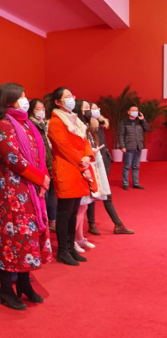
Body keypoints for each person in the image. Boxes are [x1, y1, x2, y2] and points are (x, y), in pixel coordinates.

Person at [0, 83, 52, 310]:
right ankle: (6, 289)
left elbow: (39, 154)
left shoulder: (26, 123)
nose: (26, 100)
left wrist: (43, 177)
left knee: (28, 236)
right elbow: (13, 159)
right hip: (13, 190)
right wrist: (40, 178)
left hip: (30, 188)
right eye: (21, 96)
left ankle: (24, 283)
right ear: (9, 99)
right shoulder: (3, 125)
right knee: (12, 238)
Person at [48, 87, 97, 266]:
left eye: (72, 96)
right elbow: (64, 147)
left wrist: (87, 156)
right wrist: (81, 159)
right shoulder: (55, 122)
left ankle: (70, 247)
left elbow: (85, 142)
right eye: (67, 97)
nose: (71, 99)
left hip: (79, 169)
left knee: (74, 211)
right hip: (67, 169)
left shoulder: (76, 120)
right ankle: (62, 250)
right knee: (65, 213)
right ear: (57, 102)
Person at [86, 103, 134, 235]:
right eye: (92, 108)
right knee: (95, 195)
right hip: (93, 163)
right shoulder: (87, 127)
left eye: (97, 108)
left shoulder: (99, 125)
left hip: (103, 162)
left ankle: (111, 224)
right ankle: (99, 224)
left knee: (103, 194)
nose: (96, 111)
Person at [73, 100, 110, 252]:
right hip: (81, 167)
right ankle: (71, 240)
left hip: (90, 166)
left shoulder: (87, 125)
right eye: (86, 108)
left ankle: (79, 238)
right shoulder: (75, 126)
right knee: (80, 207)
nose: (89, 111)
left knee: (84, 205)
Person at [29, 99, 56, 232]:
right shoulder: (31, 125)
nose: (41, 111)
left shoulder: (44, 124)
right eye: (37, 109)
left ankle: (52, 221)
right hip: (40, 166)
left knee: (52, 195)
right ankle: (45, 222)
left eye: (43, 108)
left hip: (49, 163)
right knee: (43, 196)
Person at [119, 104, 149, 190]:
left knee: (136, 166)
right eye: (133, 110)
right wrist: (122, 146)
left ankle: (136, 183)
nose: (135, 112)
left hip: (138, 147)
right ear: (128, 112)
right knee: (127, 166)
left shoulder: (139, 121)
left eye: (136, 110)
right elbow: (121, 135)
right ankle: (125, 183)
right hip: (128, 147)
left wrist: (143, 120)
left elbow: (146, 129)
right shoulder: (124, 122)